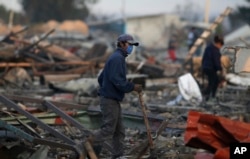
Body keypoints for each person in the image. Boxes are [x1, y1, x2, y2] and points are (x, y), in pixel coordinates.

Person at [89, 34, 142, 159]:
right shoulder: (117, 59)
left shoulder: (116, 57)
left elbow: (101, 78)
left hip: (111, 98)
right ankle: (85, 146)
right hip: (109, 100)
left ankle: (118, 155)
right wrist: (132, 87)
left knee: (119, 131)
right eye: (130, 45)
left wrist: (105, 89)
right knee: (108, 129)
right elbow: (117, 80)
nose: (131, 48)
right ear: (122, 44)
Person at [201, 35, 224, 102]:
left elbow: (204, 58)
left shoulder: (208, 48)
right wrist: (220, 69)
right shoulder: (215, 50)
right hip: (211, 68)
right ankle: (209, 95)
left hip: (205, 67)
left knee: (213, 81)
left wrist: (202, 67)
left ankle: (209, 95)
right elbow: (216, 61)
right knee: (214, 82)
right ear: (219, 44)